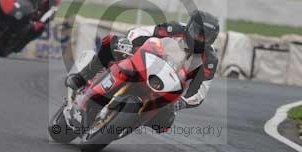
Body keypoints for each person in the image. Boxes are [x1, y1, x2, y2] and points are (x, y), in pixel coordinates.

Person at [66, 10, 220, 133]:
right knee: (112, 42)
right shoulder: (174, 29)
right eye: (197, 33)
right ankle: (82, 76)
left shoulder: (210, 60)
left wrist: (182, 102)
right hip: (145, 64)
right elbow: (142, 31)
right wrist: (128, 42)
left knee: (163, 124)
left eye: (205, 37)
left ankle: (127, 124)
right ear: (190, 26)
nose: (199, 39)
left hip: (167, 89)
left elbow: (200, 92)